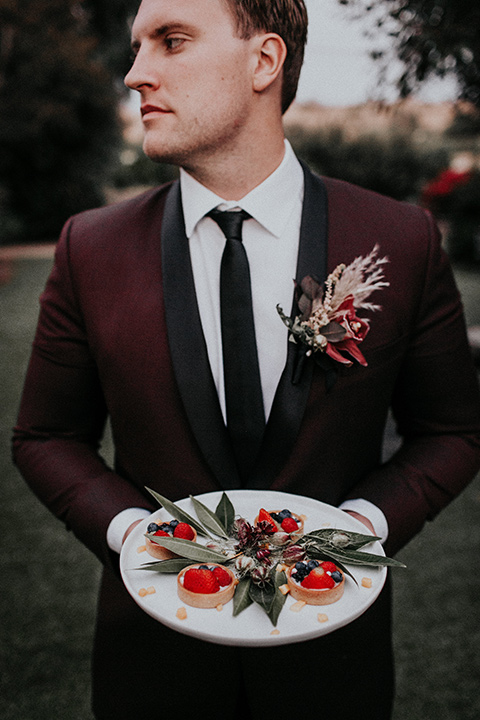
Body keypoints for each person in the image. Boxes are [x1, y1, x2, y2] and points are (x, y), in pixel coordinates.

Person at [12, 0, 480, 718]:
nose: (136, 74)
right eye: (138, 47)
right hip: (152, 669)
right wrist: (138, 534)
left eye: (171, 41)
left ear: (264, 61)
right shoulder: (91, 248)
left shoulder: (399, 240)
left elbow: (454, 432)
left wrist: (361, 526)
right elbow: (44, 439)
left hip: (331, 670)